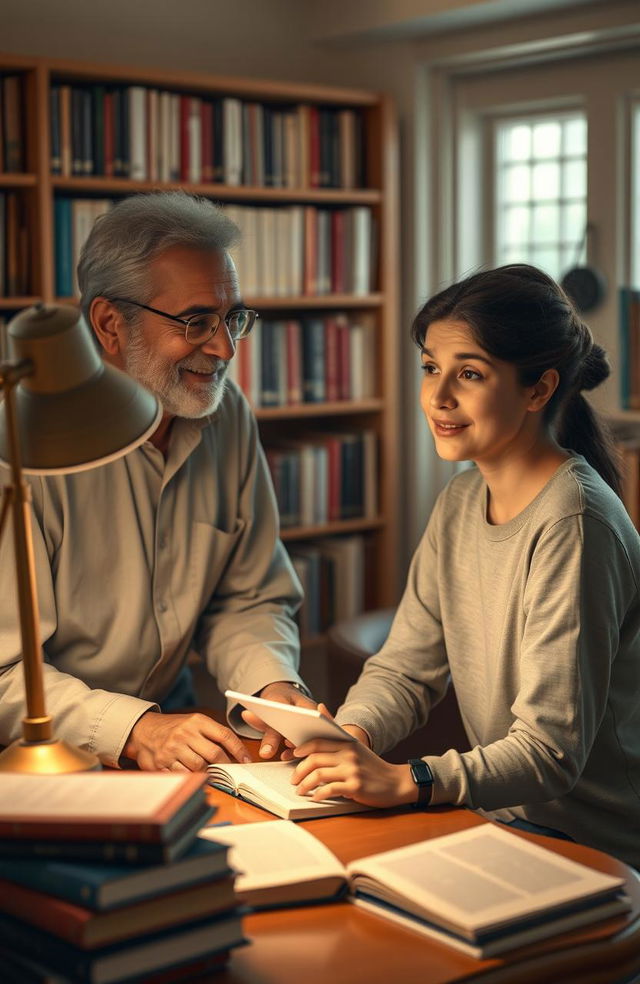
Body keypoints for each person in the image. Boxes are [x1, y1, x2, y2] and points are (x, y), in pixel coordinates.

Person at [289, 263, 640, 869]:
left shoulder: (574, 524)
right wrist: (353, 738)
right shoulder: (458, 501)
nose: (438, 396)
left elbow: (549, 752)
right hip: (507, 827)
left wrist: (407, 781)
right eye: (430, 366)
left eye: (469, 374)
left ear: (538, 389)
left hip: (597, 850)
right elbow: (405, 668)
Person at [0, 191, 314, 771]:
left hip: (178, 732)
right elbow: (3, 672)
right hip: (40, 757)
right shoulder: (21, 444)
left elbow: (247, 598)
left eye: (231, 318)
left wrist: (271, 689)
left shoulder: (227, 412)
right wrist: (136, 729)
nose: (223, 348)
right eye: (196, 322)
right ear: (110, 324)